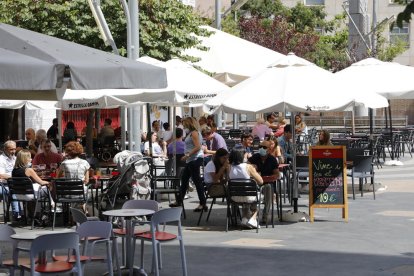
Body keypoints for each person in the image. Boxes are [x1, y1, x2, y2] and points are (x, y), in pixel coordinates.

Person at [170, 117, 206, 212]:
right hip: (191, 160)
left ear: (189, 124)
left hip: (194, 159)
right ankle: (179, 200)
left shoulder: (194, 133)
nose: (184, 126)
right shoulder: (192, 133)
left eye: (185, 124)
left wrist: (187, 155)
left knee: (196, 181)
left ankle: (202, 203)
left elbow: (198, 147)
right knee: (185, 179)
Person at [228, 148, 263, 229]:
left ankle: (244, 218)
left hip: (234, 197)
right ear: (241, 156)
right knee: (259, 197)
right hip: (248, 196)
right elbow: (261, 181)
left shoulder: (229, 167)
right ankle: (253, 218)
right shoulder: (248, 167)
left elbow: (228, 179)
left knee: (247, 195)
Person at [12, 149, 51, 220]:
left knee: (34, 188)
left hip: (18, 195)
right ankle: (50, 209)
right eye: (29, 157)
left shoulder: (14, 170)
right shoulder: (29, 170)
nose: (31, 159)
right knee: (47, 189)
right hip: (28, 195)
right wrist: (50, 183)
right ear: (25, 159)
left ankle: (32, 214)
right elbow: (41, 182)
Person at [248, 140, 279, 224]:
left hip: (267, 182)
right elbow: (247, 167)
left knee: (269, 188)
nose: (261, 149)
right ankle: (253, 213)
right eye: (260, 147)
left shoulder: (272, 159)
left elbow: (277, 174)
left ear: (269, 149)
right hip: (256, 182)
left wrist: (271, 177)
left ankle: (265, 215)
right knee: (252, 187)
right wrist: (252, 168)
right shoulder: (255, 157)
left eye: (264, 147)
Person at [0, 140, 21, 219]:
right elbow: (1, 175)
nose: (13, 151)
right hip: (3, 185)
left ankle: (29, 214)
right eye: (11, 149)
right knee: (12, 190)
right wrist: (14, 176)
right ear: (5, 149)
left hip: (15, 183)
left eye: (14, 149)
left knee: (29, 189)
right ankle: (17, 214)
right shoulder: (1, 159)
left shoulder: (15, 158)